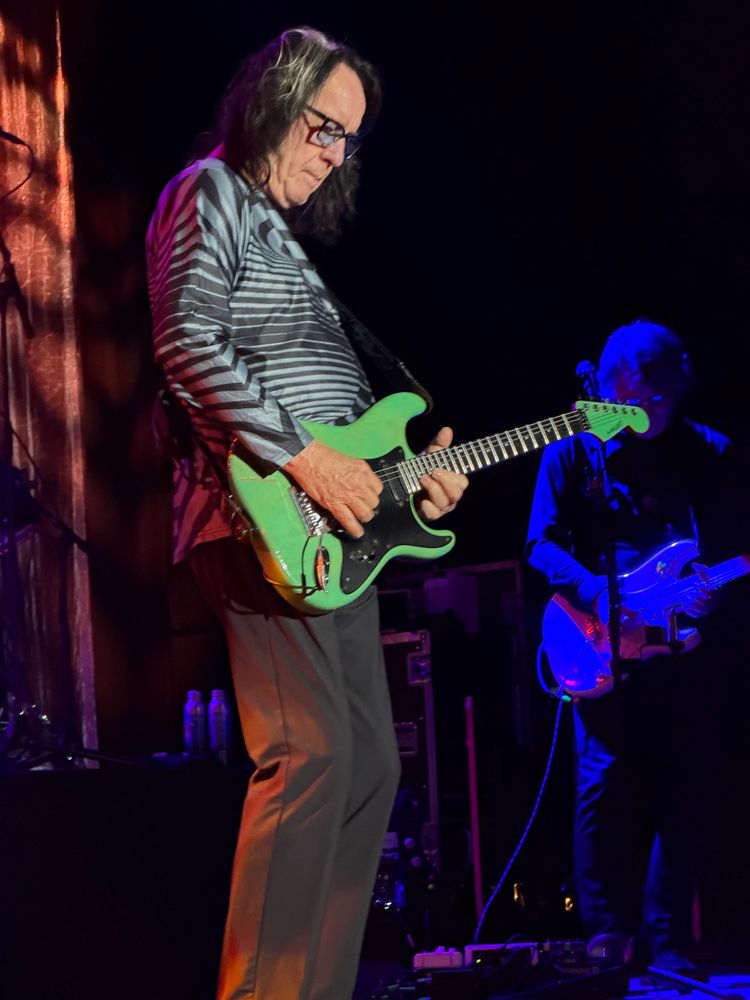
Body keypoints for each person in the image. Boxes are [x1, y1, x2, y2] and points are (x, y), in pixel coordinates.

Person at [145, 26, 468, 1000]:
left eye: (348, 140)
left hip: (337, 537)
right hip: (254, 516)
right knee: (312, 753)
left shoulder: (280, 234)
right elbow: (187, 344)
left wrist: (406, 476)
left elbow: (335, 413)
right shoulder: (208, 193)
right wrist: (310, 458)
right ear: (271, 104)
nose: (332, 154)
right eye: (322, 127)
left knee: (369, 764)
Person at [525, 318, 747, 972]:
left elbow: (729, 552)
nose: (656, 409)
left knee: (685, 791)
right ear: (616, 388)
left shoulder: (709, 453)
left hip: (679, 646)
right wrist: (594, 594)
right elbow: (539, 544)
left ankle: (670, 940)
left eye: (665, 398)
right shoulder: (573, 449)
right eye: (644, 398)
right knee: (603, 784)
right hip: (595, 636)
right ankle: (605, 934)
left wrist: (714, 593)